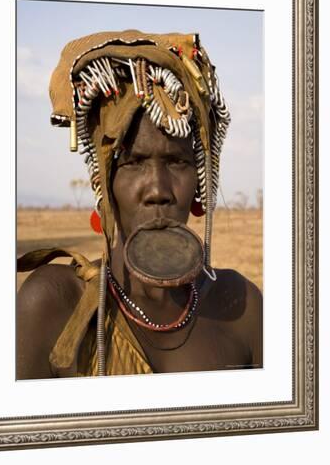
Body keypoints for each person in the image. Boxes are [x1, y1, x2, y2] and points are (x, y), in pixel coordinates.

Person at [16, 29, 262, 379]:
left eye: (177, 162)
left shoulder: (241, 306)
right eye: (133, 162)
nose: (158, 189)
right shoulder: (52, 304)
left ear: (200, 182)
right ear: (104, 183)